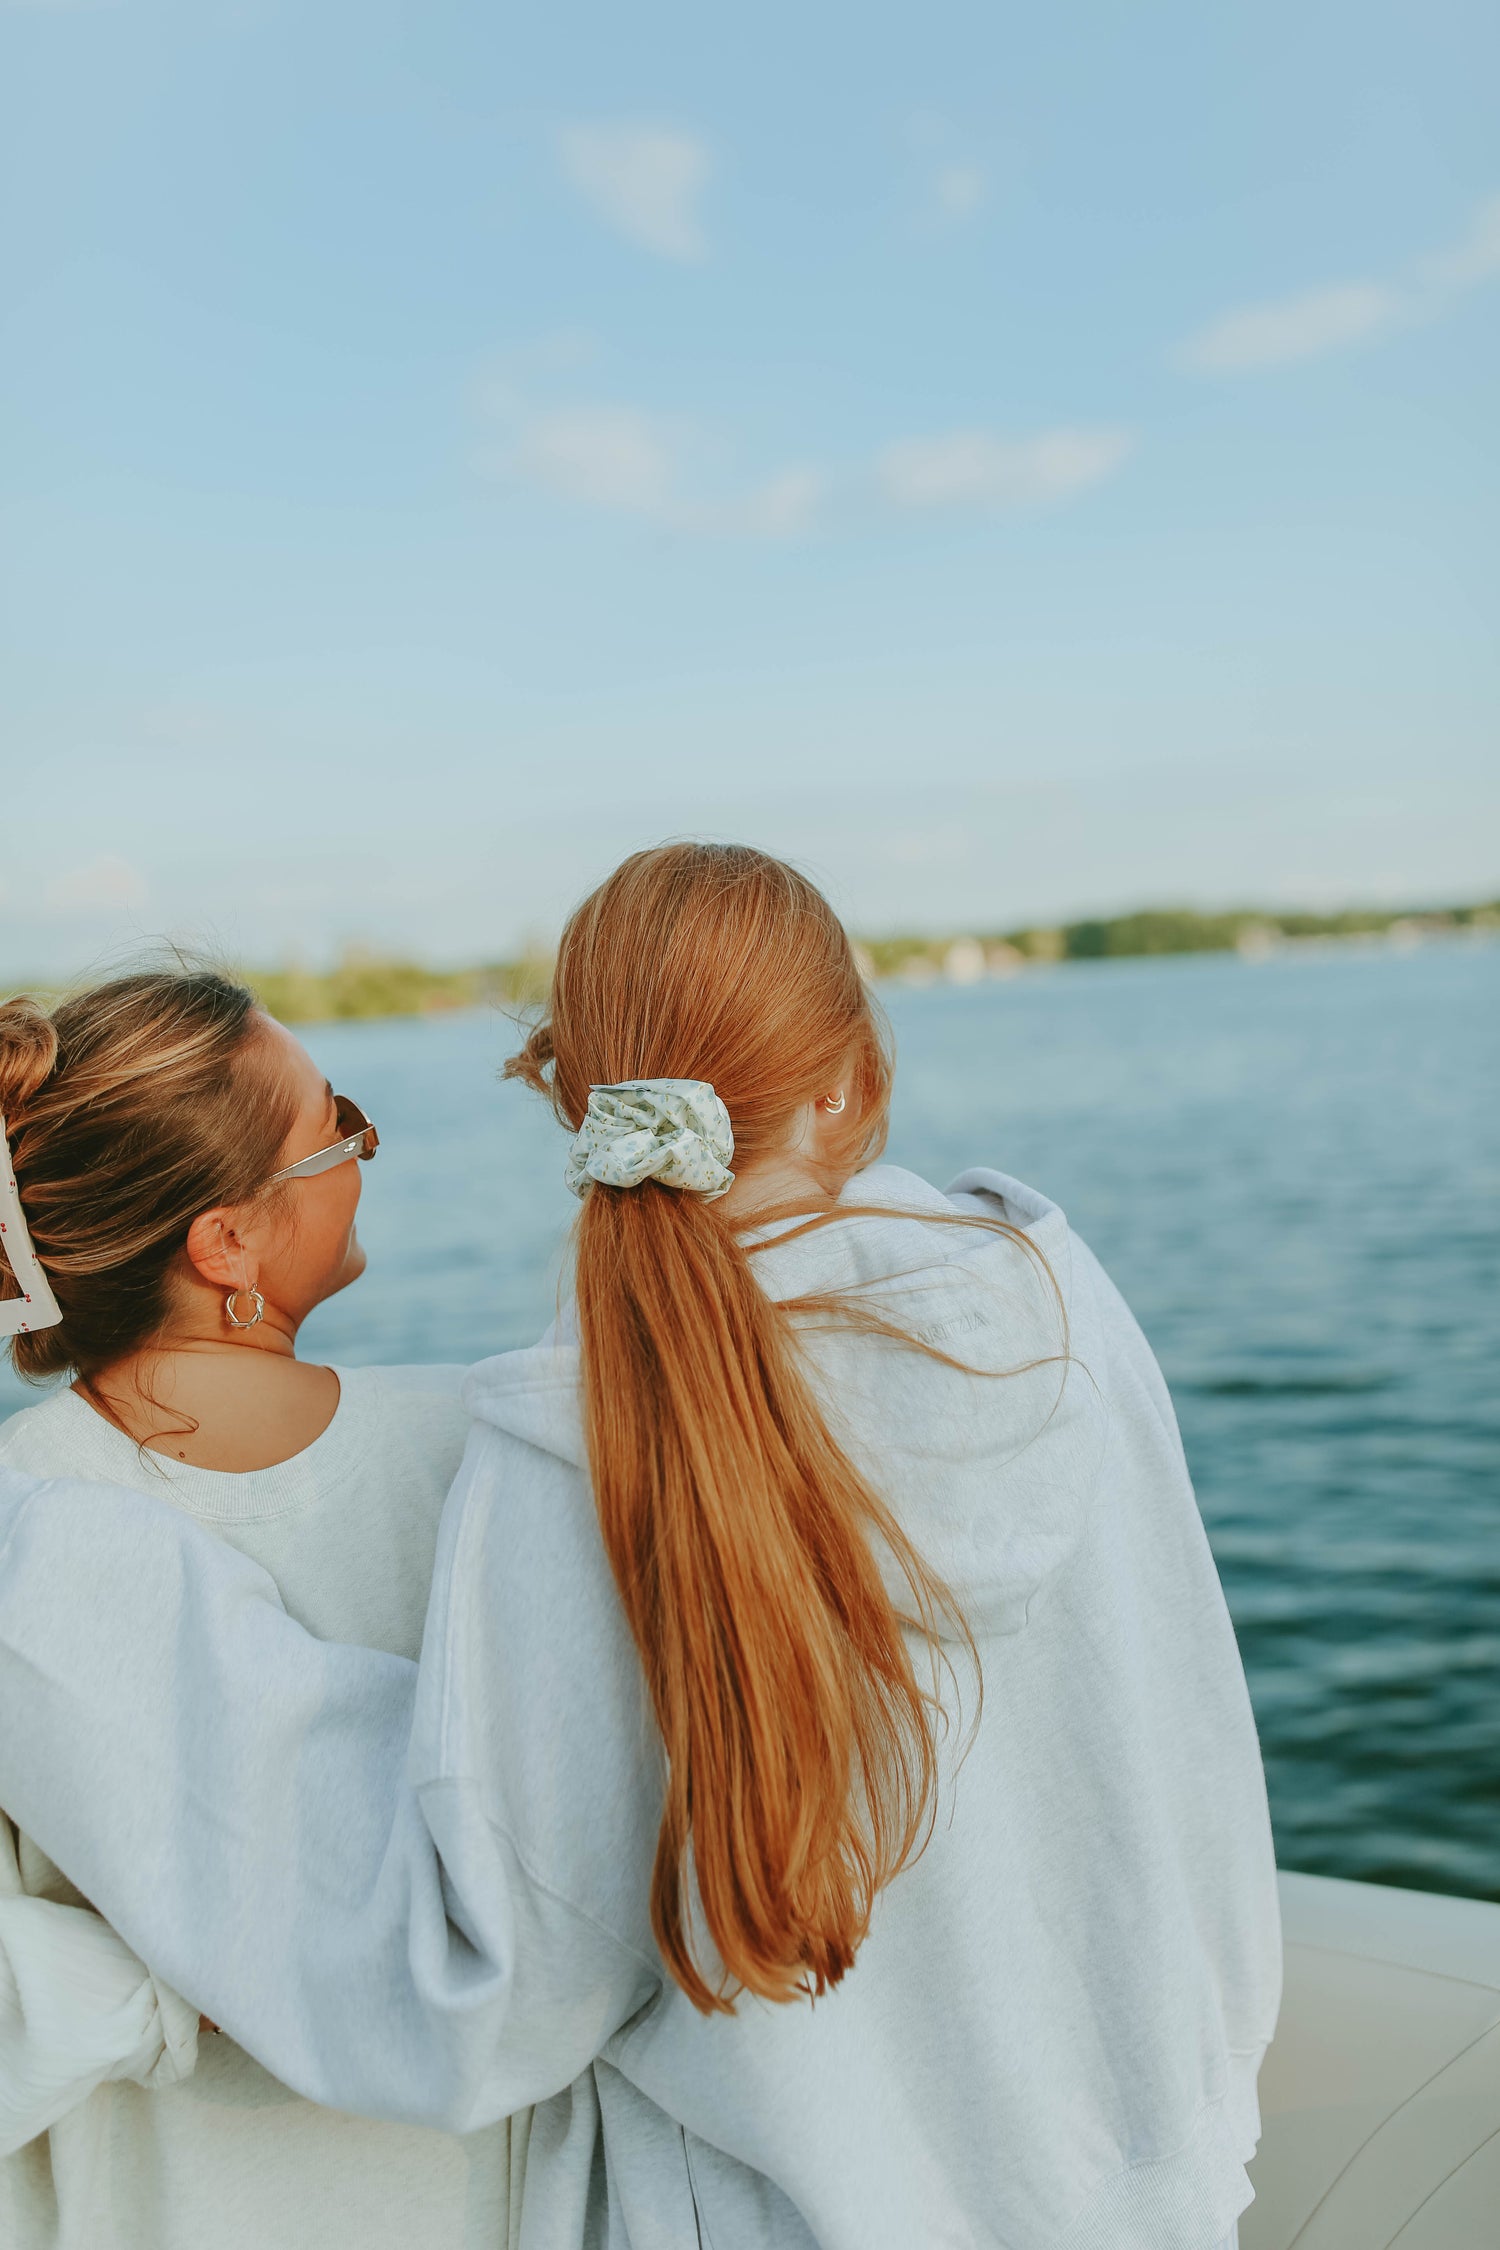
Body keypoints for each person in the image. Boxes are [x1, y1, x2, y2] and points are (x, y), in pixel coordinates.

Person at [0, 847, 1280, 2249]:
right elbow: (1196, 1745)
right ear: (846, 1074)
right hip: (1154, 2191)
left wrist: (104, 1616)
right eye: (341, 1121)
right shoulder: (1060, 1303)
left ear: (577, 1094)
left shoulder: (561, 1450)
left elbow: (502, 1979)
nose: (364, 1148)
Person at [0, 969, 519, 2250]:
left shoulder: (20, 1511)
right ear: (225, 1239)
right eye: (334, 1121)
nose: (360, 1151)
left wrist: (189, 1979)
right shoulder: (486, 1451)